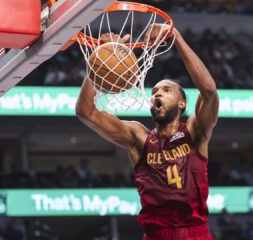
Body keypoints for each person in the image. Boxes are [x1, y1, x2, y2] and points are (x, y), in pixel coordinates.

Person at [76, 23, 219, 240]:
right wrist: (102, 59)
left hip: (194, 232)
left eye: (166, 90)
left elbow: (208, 91)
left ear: (181, 103)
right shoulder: (138, 137)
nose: (158, 94)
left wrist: (176, 37)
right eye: (154, 92)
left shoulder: (195, 130)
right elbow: (86, 112)